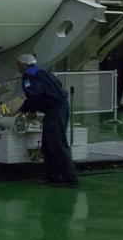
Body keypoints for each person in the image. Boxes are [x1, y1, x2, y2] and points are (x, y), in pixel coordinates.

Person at [18, 53, 79, 186]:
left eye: (18, 64)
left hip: (55, 110)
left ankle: (70, 178)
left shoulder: (29, 74)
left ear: (24, 64)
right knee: (47, 145)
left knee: (57, 145)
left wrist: (30, 110)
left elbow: (35, 94)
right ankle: (53, 177)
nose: (17, 66)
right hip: (59, 108)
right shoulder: (42, 71)